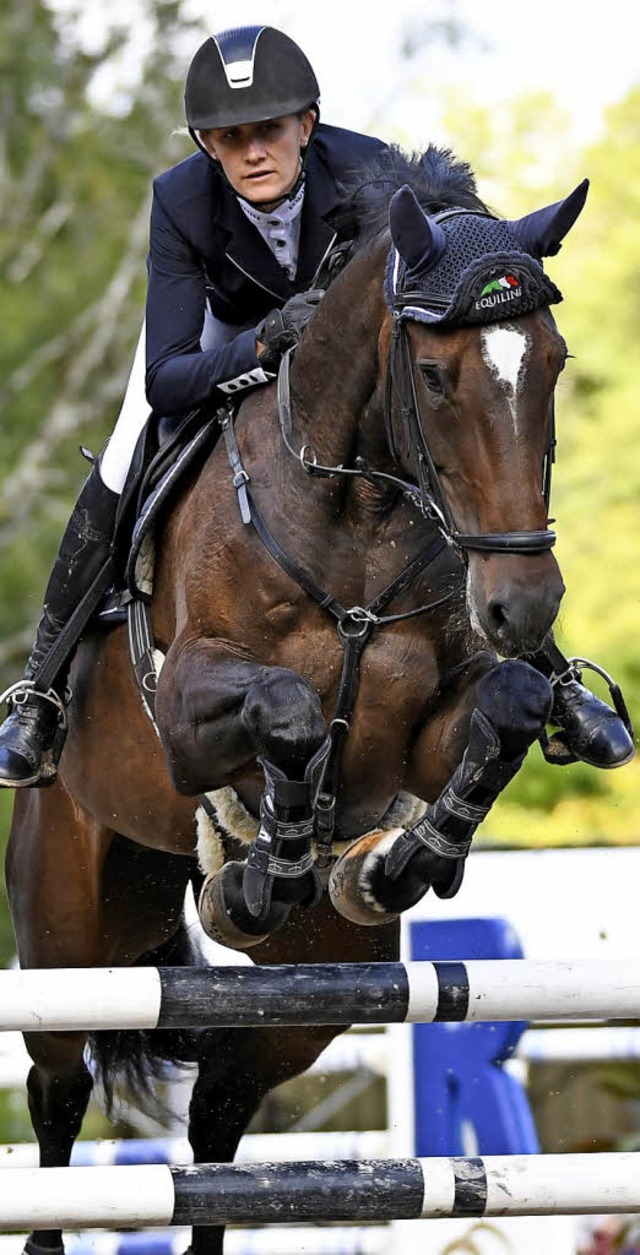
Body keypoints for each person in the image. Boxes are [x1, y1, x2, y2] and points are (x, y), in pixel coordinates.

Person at [0, 24, 633, 789]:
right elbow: (168, 376)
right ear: (207, 144)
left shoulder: (371, 169)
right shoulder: (180, 200)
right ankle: (40, 693)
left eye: (269, 130)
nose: (253, 152)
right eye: (231, 139)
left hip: (344, 357)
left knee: (455, 440)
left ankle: (555, 678)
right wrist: (265, 346)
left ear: (306, 125)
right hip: (223, 337)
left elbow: (470, 262)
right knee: (127, 445)